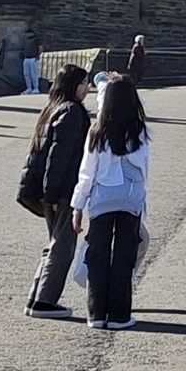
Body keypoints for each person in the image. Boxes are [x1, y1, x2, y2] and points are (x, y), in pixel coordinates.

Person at [71, 74, 149, 330]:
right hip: (129, 196)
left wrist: (78, 205)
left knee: (98, 255)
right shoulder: (138, 129)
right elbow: (143, 168)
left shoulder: (97, 130)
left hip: (102, 196)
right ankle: (119, 314)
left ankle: (96, 313)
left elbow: (87, 171)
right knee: (124, 256)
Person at [25, 64, 91, 317]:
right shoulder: (72, 112)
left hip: (52, 189)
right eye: (83, 83)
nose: (87, 88)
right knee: (63, 246)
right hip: (61, 190)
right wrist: (52, 195)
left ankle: (37, 298)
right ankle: (44, 301)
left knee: (54, 244)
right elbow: (58, 157)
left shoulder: (53, 109)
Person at [21, 30, 43, 95]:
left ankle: (36, 88)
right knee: (26, 74)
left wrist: (37, 56)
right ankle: (29, 88)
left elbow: (40, 48)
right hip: (26, 58)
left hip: (33, 58)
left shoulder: (37, 39)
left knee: (34, 74)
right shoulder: (26, 40)